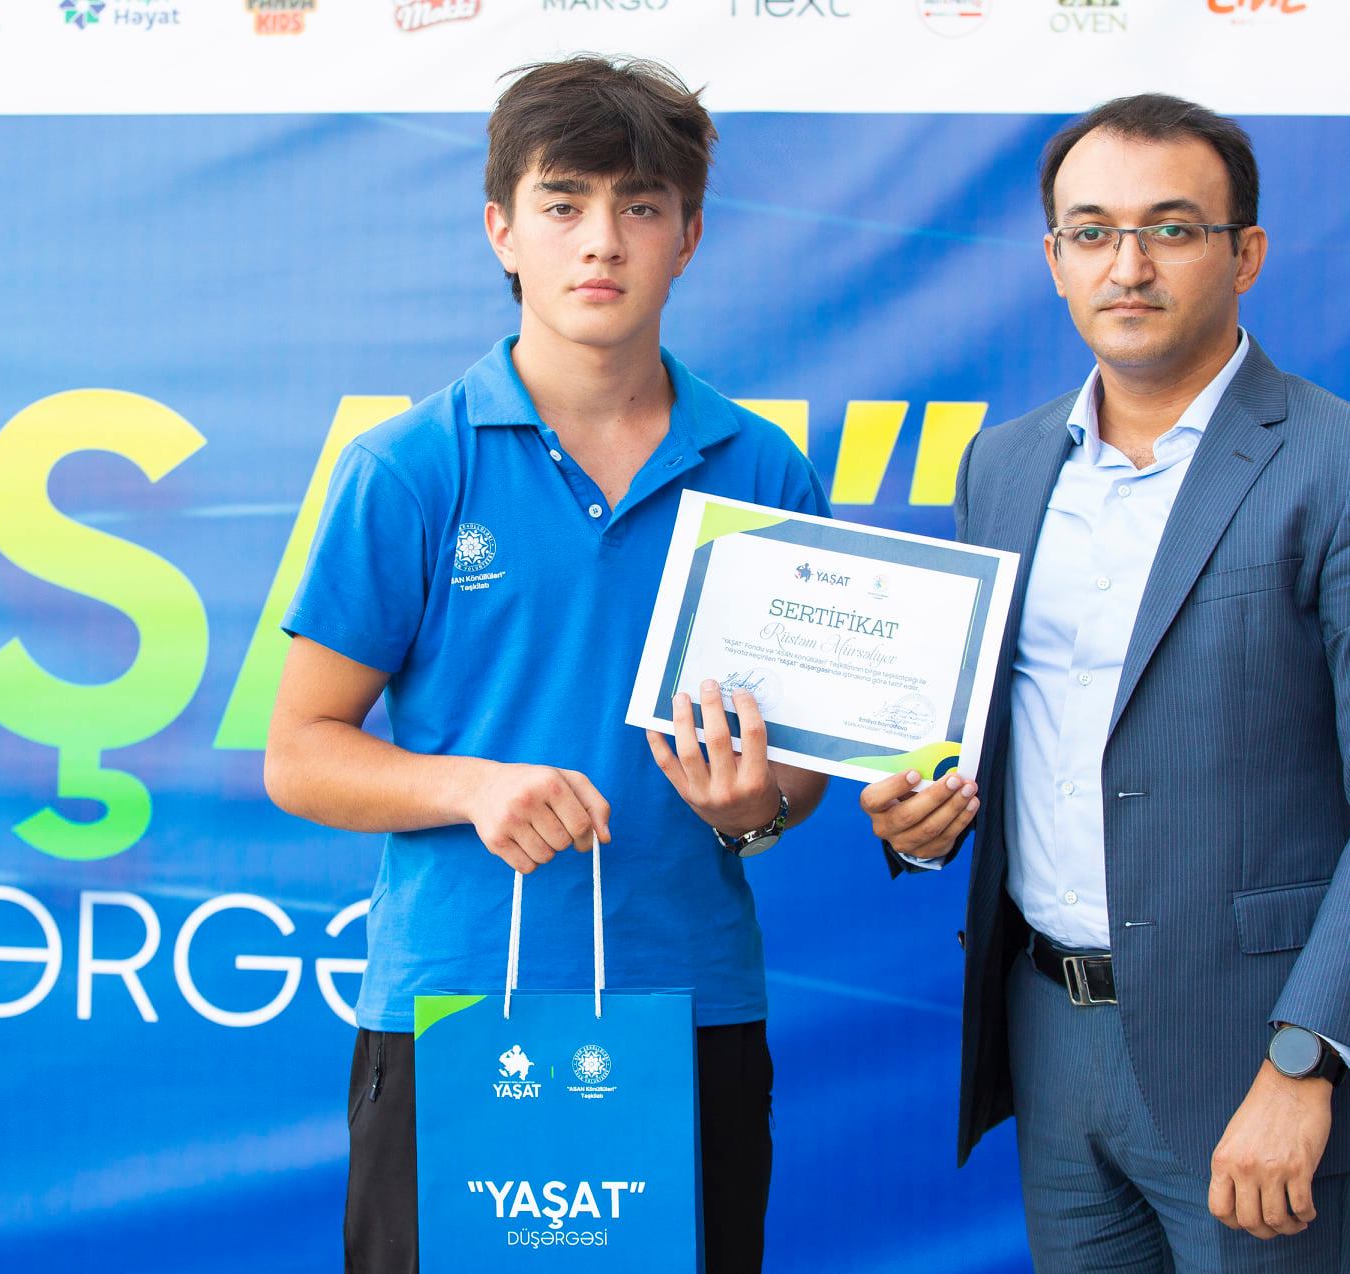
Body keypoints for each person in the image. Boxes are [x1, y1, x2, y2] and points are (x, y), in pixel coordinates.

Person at [860, 94, 1350, 1272]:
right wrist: (920, 819)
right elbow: (989, 741)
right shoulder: (1003, 464)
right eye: (1092, 232)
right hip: (1048, 1028)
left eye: (1172, 229)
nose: (1127, 266)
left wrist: (1306, 1058)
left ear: (1246, 253)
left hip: (1256, 1050)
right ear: (1054, 259)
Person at [263, 55, 830, 1274]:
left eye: (641, 205)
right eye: (563, 203)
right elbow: (300, 753)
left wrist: (753, 809)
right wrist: (473, 786)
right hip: (458, 1006)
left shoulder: (764, 473)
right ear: (503, 231)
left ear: (688, 236)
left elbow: (791, 785)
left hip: (689, 1004)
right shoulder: (411, 466)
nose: (601, 240)